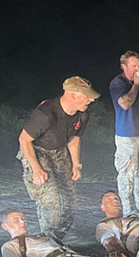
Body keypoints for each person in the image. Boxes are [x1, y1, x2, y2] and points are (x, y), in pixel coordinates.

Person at [18, 76, 98, 242]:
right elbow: (24, 140)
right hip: (37, 152)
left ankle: (56, 240)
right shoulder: (46, 114)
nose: (91, 99)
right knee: (51, 199)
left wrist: (76, 164)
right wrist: (36, 169)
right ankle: (47, 244)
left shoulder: (82, 115)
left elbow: (74, 138)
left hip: (59, 151)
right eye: (87, 96)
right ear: (72, 95)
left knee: (70, 202)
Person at [110, 51, 139, 218]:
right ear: (124, 67)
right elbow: (125, 104)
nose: (138, 69)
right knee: (127, 173)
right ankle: (129, 211)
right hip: (125, 135)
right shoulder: (118, 83)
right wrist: (135, 85)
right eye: (134, 66)